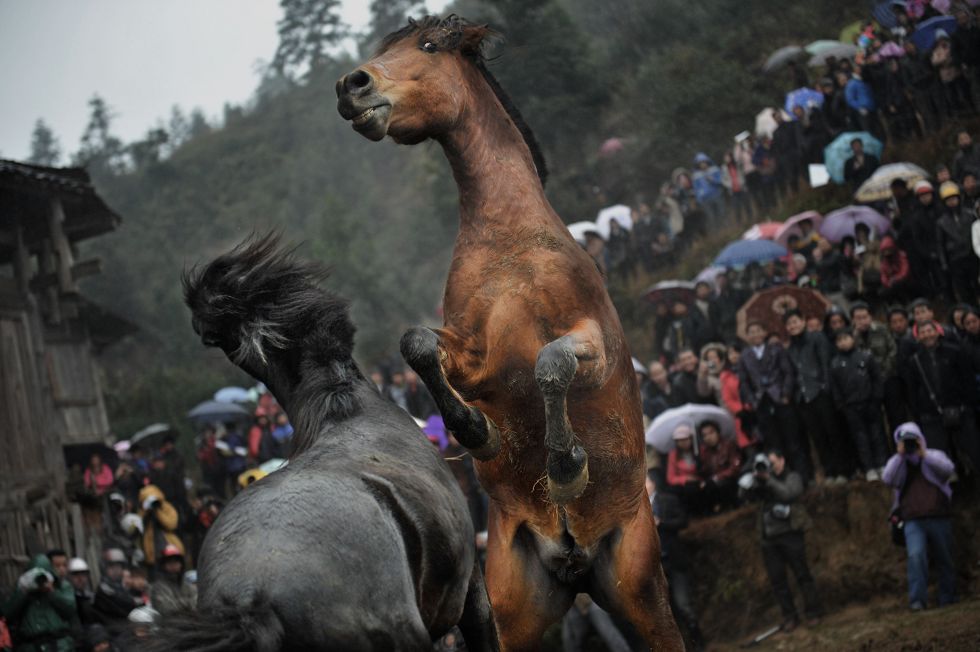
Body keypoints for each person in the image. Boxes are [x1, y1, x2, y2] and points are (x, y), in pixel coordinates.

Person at [738, 449, 821, 632]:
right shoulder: (759, 481)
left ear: (782, 460)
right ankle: (790, 616)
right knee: (778, 581)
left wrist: (769, 479)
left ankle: (813, 612)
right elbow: (743, 498)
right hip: (768, 538)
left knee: (802, 574)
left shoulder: (791, 477)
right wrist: (748, 482)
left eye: (772, 463)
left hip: (790, 533)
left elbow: (789, 494)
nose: (769, 467)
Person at [882, 423, 956, 611]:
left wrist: (924, 454)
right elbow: (887, 479)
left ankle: (948, 597)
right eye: (905, 441)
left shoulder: (933, 455)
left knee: (945, 558)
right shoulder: (899, 463)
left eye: (912, 440)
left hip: (939, 515)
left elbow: (947, 469)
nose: (909, 445)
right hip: (913, 520)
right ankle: (917, 601)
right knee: (915, 557)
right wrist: (900, 455)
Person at [902, 320, 980, 474]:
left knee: (975, 451)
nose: (927, 335)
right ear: (918, 337)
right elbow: (912, 390)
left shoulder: (955, 351)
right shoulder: (914, 361)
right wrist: (919, 414)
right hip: (932, 416)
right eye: (922, 332)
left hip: (961, 410)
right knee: (938, 459)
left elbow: (968, 380)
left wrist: (968, 405)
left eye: (930, 331)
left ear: (938, 332)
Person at [784, 310, 850, 483]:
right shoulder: (790, 348)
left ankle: (844, 470)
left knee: (833, 432)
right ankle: (829, 471)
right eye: (789, 324)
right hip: (803, 398)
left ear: (803, 321)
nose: (793, 326)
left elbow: (825, 363)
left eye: (795, 321)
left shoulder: (816, 338)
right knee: (818, 437)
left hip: (821, 393)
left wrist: (825, 387)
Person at [737, 321, 809, 480]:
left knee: (793, 439)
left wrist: (785, 394)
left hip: (780, 399)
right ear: (747, 336)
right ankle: (784, 477)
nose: (755, 334)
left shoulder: (776, 349)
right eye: (751, 332)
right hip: (761, 403)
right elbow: (743, 382)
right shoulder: (745, 356)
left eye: (758, 330)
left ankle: (804, 477)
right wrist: (752, 400)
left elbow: (788, 372)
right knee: (773, 444)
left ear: (764, 333)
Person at [646, 473, 704, 651]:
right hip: (654, 567)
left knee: (683, 604)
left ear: (654, 483)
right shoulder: (635, 507)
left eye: (645, 481)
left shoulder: (668, 500)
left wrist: (661, 523)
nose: (642, 485)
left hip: (675, 559)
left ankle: (699, 643)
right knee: (665, 611)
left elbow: (683, 521)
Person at [829, 327, 888, 480]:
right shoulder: (835, 364)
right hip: (851, 407)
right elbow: (835, 388)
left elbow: (876, 379)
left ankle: (882, 464)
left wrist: (877, 398)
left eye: (846, 338)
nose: (843, 342)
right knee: (860, 439)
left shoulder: (866, 356)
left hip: (870, 403)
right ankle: (869, 468)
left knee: (877, 434)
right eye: (839, 340)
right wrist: (842, 406)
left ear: (852, 338)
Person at [2, 554, 76, 652]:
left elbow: (70, 610)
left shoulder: (61, 586)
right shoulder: (22, 588)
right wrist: (24, 592)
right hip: (31, 647)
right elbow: (7, 615)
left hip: (61, 646)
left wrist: (52, 591)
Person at [936, 181, 979, 304]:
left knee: (976, 285)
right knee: (964, 290)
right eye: (948, 200)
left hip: (971, 256)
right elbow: (940, 244)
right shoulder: (941, 222)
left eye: (954, 198)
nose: (952, 202)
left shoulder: (970, 215)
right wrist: (944, 263)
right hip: (955, 260)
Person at [137, 485, 185, 572]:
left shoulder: (165, 507)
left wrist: (157, 511)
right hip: (152, 551)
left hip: (168, 545)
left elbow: (171, 524)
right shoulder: (142, 511)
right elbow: (139, 527)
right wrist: (147, 513)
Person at [696, 420, 741, 511]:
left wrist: (717, 477)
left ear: (718, 432)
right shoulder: (705, 452)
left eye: (711, 433)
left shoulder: (729, 445)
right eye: (704, 435)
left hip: (729, 481)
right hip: (712, 483)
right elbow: (705, 472)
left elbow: (735, 467)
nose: (709, 437)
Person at [93, 549, 139, 627]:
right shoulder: (104, 588)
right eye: (111, 566)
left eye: (118, 566)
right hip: (111, 629)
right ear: (104, 568)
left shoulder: (118, 586)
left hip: (123, 626)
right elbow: (121, 603)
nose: (116, 570)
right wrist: (135, 602)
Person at [149, 545, 196, 616]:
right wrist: (188, 603)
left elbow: (198, 603)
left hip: (191, 622)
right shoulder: (158, 587)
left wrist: (177, 603)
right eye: (169, 562)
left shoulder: (189, 587)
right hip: (168, 625)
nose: (173, 565)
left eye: (176, 562)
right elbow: (166, 608)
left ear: (181, 564)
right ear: (163, 566)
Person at [666, 425, 704, 513]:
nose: (683, 442)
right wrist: (687, 479)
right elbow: (670, 478)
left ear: (691, 439)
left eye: (685, 439)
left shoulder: (699, 451)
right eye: (679, 440)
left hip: (700, 481)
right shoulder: (673, 455)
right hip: (684, 485)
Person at [67, 558, 98, 628]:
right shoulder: (68, 598)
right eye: (76, 575)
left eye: (83, 574)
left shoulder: (92, 596)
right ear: (69, 577)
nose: (80, 578)